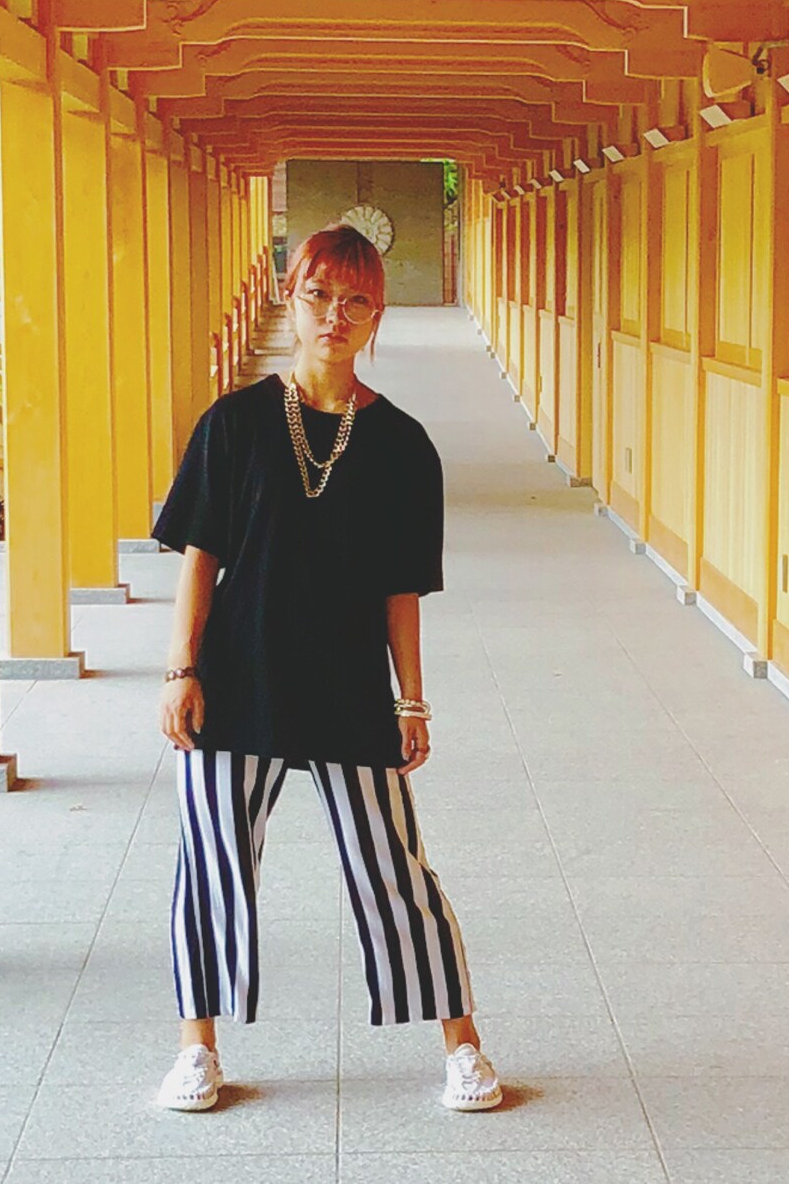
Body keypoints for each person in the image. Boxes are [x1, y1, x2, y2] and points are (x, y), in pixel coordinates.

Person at [150, 223, 503, 1113]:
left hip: (348, 682)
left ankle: (462, 1043)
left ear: (377, 313)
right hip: (237, 677)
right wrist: (180, 670)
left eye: (355, 301)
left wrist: (412, 702)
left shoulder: (403, 444)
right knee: (212, 862)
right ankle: (197, 1048)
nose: (333, 316)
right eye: (318, 295)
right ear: (291, 296)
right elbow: (200, 556)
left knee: (395, 867)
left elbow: (400, 588)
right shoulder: (232, 424)